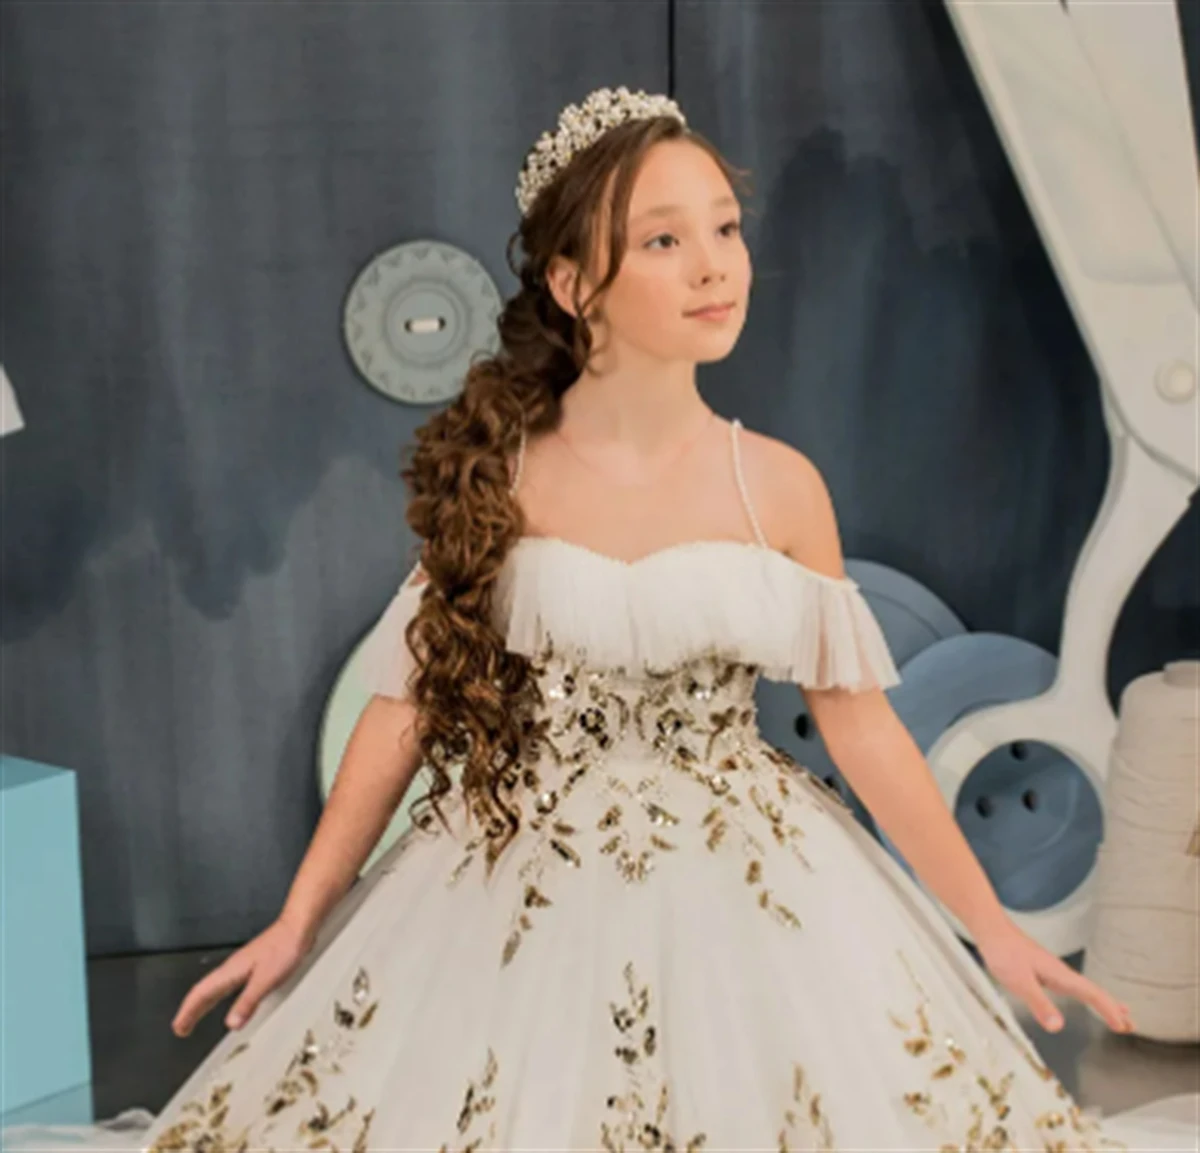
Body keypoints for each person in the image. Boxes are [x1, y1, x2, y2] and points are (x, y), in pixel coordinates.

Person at [5, 86, 1196, 1153]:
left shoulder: (776, 483)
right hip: (517, 877)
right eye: (664, 242)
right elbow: (404, 709)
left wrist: (990, 925)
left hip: (752, 882)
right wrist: (298, 915)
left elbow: (866, 732)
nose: (715, 266)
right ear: (576, 285)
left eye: (726, 229)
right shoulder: (502, 477)